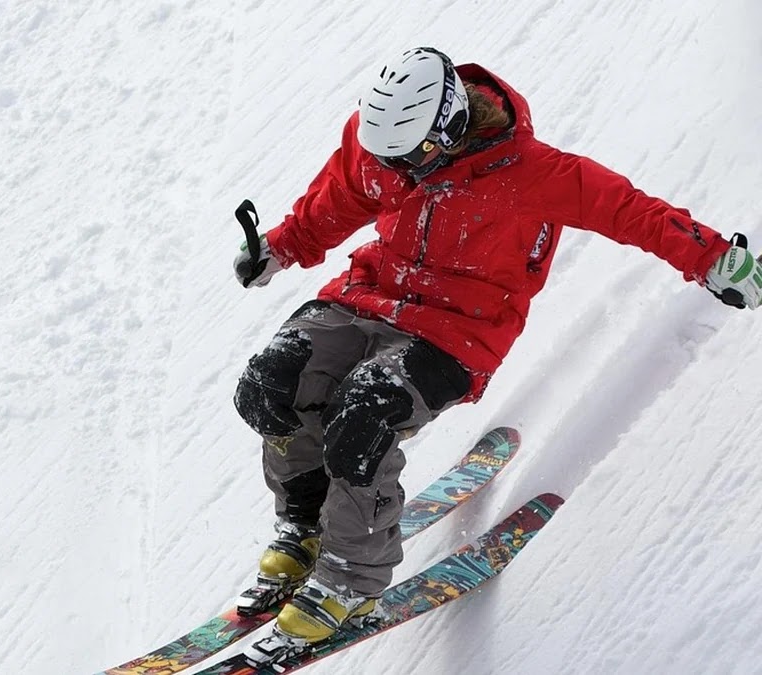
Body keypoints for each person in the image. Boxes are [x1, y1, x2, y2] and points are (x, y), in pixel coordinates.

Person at [230, 46, 762, 645]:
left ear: (450, 123)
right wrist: (281, 245)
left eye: (411, 157)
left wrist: (715, 258)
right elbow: (344, 194)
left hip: (456, 331)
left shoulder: (537, 174)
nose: (399, 170)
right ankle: (305, 519)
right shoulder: (382, 141)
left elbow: (634, 213)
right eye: (389, 157)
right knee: (269, 383)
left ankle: (351, 574)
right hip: (368, 294)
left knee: (363, 414)